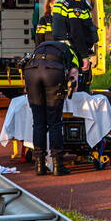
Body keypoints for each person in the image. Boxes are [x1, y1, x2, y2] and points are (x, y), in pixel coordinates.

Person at [21, 39, 79, 176]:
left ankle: (40, 165)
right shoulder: (71, 51)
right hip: (53, 72)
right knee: (54, 122)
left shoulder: (41, 47)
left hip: (31, 70)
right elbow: (74, 77)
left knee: (38, 122)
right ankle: (58, 165)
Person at [52, 0, 100, 92]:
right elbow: (77, 32)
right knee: (79, 88)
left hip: (60, 49)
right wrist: (84, 56)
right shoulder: (76, 2)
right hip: (73, 52)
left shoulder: (61, 0)